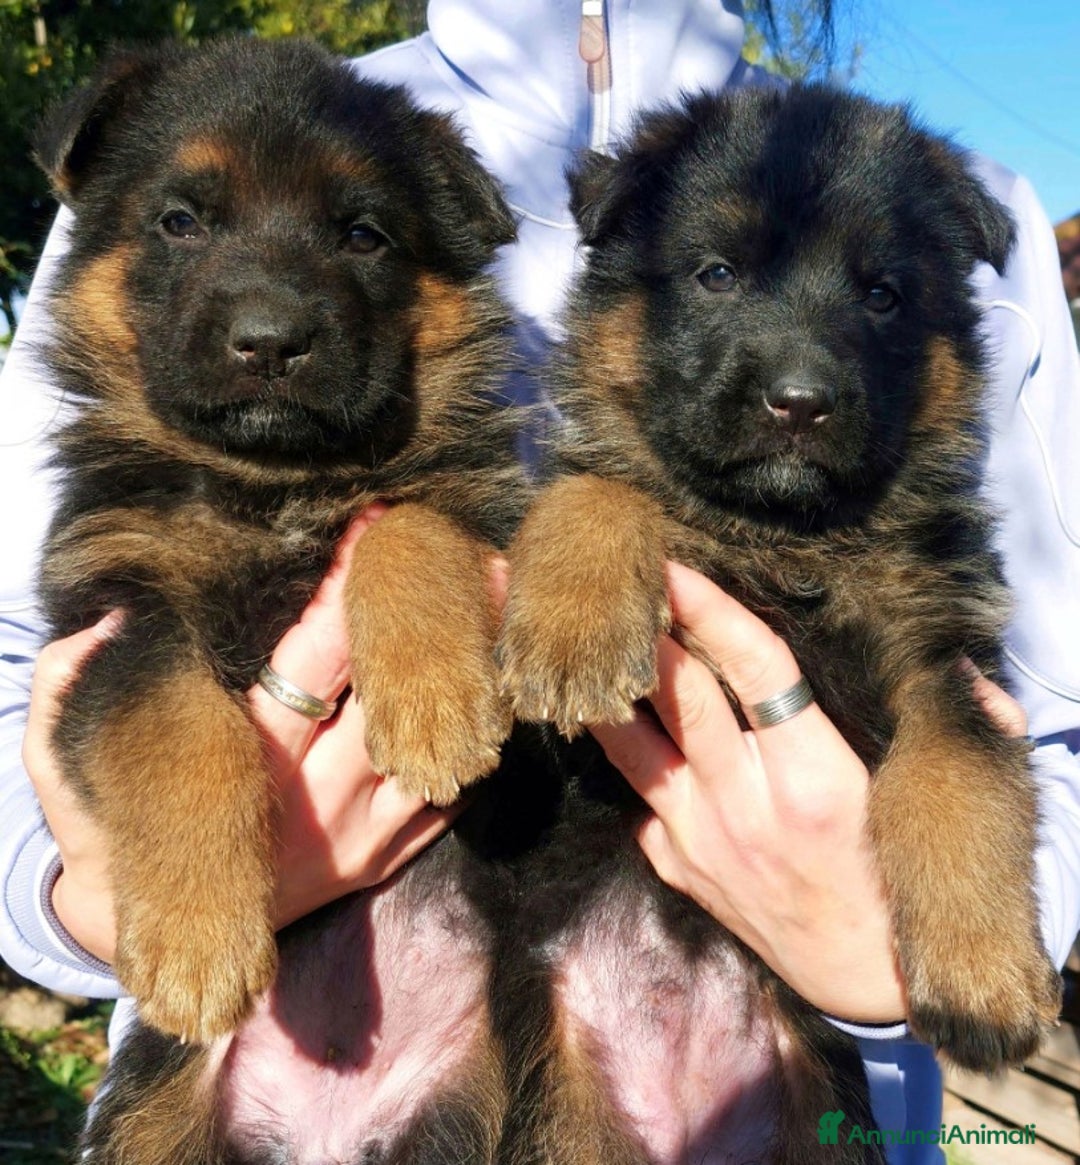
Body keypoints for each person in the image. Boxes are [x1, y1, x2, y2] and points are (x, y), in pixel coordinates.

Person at [2, 1, 1079, 1160]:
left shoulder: (969, 199)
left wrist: (886, 962)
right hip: (287, 1041)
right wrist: (77, 903)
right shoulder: (295, 125)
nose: (265, 305)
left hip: (773, 1066)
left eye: (362, 237)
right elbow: (36, 668)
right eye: (178, 221)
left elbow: (1046, 712)